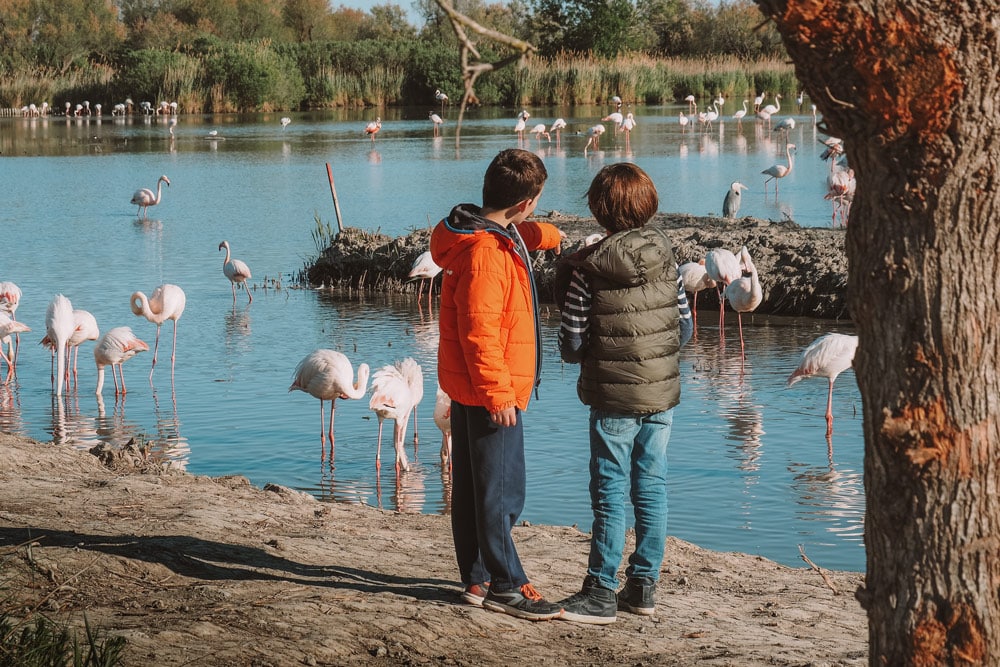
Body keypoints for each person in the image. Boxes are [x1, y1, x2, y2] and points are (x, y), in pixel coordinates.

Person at [553, 162, 693, 625]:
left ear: (598, 210)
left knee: (610, 488)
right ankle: (644, 585)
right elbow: (685, 328)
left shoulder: (586, 270)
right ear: (648, 205)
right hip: (662, 394)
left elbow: (572, 342)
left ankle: (600, 590)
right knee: (651, 485)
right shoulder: (667, 258)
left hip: (613, 397)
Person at [430, 148, 566, 621]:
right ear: (525, 202)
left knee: (472, 489)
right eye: (537, 204)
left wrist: (546, 235)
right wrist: (500, 394)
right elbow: (479, 330)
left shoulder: (478, 234)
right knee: (502, 492)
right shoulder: (488, 256)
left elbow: (513, 234)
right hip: (492, 389)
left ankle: (477, 577)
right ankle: (506, 584)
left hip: (469, 386)